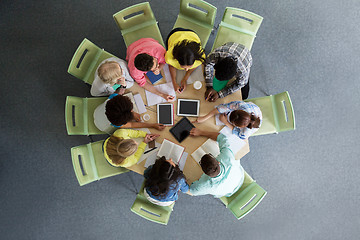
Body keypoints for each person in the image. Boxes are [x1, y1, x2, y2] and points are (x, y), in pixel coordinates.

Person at [188, 128, 245, 197]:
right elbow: (222, 137)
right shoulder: (227, 158)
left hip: (228, 192)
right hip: (240, 177)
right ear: (218, 162)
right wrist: (201, 132)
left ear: (204, 172)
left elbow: (192, 190)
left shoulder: (204, 185)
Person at [93, 93, 165, 134]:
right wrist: (152, 125)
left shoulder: (113, 98)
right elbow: (131, 124)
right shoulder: (116, 123)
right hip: (101, 126)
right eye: (132, 110)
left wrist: (132, 114)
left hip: (96, 112)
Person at [165, 28, 205, 93]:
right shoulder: (169, 56)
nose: (186, 70)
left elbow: (196, 65)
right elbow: (171, 66)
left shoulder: (201, 57)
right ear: (176, 59)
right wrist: (174, 83)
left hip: (191, 34)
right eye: (184, 67)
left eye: (189, 67)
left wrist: (185, 78)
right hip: (175, 34)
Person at [195, 101, 262, 140]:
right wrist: (204, 118)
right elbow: (224, 107)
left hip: (257, 117)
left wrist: (226, 122)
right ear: (238, 110)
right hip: (252, 108)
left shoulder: (245, 133)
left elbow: (239, 134)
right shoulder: (241, 105)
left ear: (240, 126)